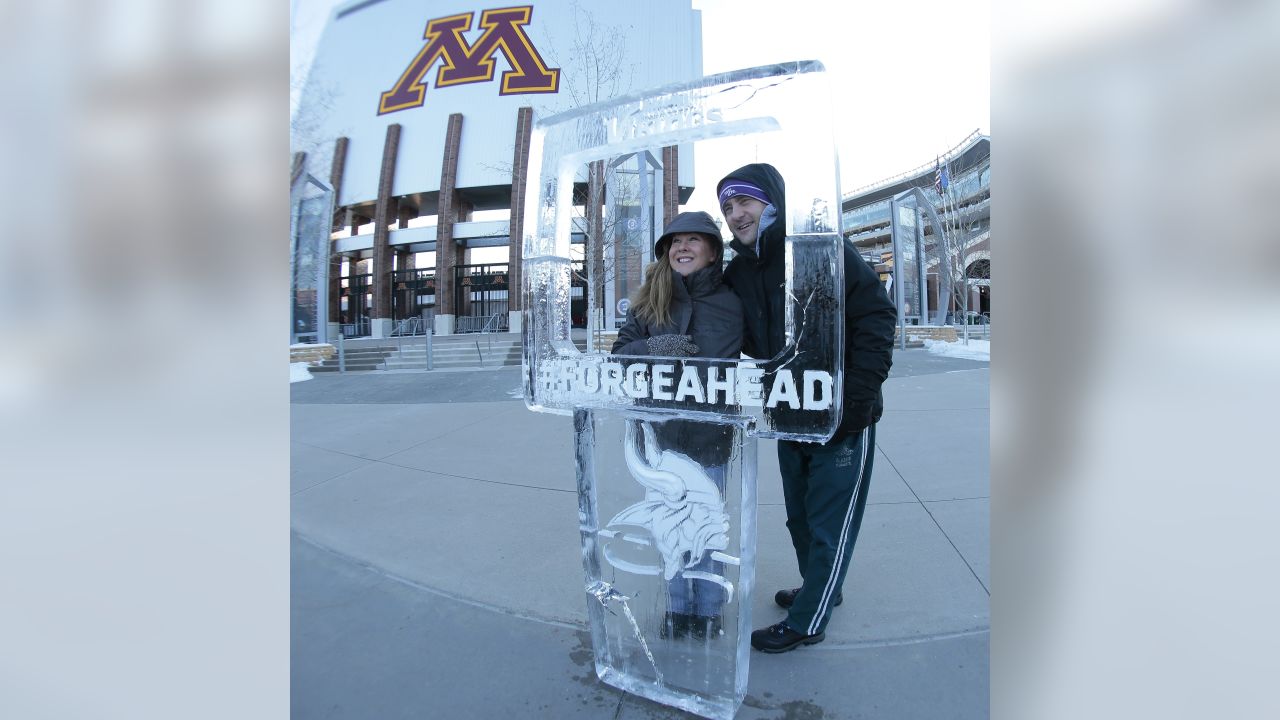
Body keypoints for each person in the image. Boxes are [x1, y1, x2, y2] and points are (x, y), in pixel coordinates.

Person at [717, 163, 896, 653]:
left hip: (842, 410)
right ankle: (820, 588)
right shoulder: (737, 271)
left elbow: (876, 313)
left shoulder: (816, 246)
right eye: (728, 207)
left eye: (745, 201)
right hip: (790, 410)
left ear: (771, 200)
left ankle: (808, 620)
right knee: (798, 515)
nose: (736, 214)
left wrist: (858, 395)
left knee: (828, 520)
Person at [611, 210, 744, 640]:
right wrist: (655, 344)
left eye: (693, 240)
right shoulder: (651, 301)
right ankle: (677, 610)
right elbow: (619, 352)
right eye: (674, 242)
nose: (682, 248)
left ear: (712, 251)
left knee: (704, 532)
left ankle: (707, 612)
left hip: (709, 440)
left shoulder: (732, 299)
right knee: (669, 530)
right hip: (662, 442)